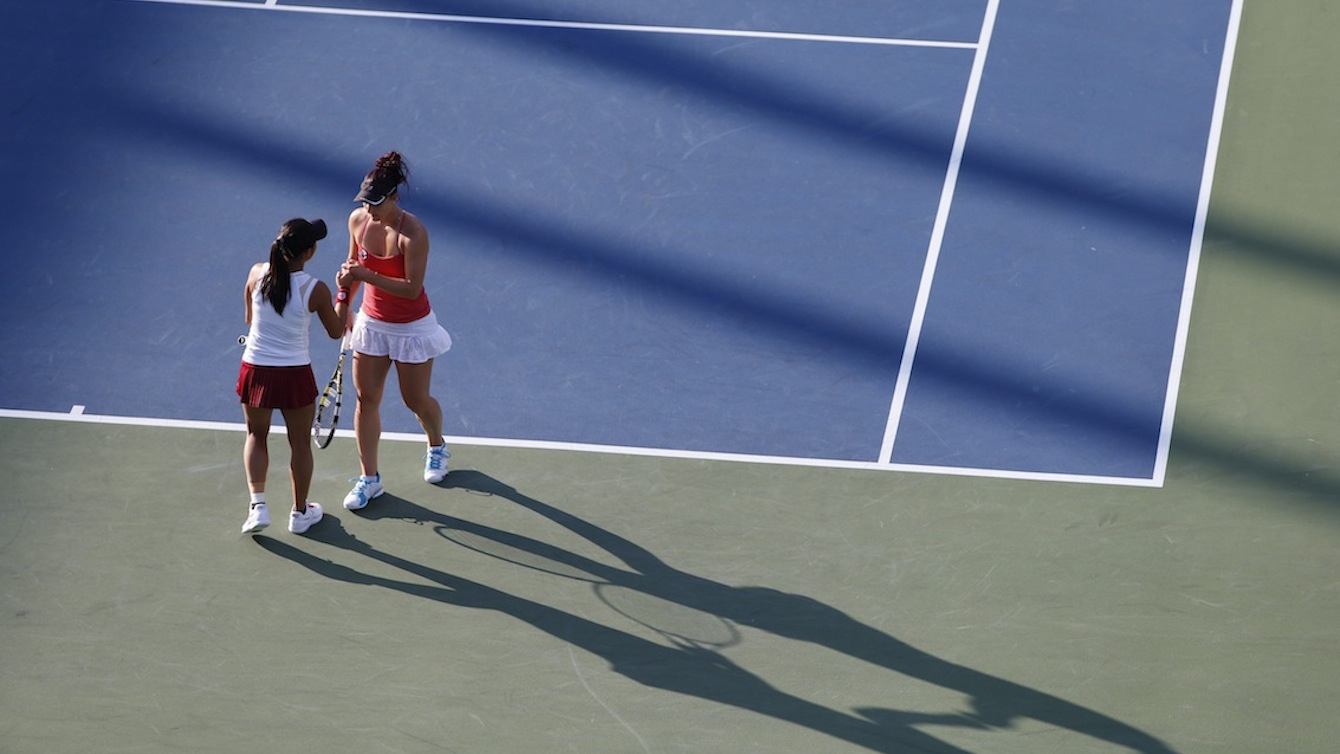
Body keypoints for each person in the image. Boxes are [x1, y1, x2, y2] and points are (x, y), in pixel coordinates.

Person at [335, 151, 453, 511]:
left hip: (412, 327)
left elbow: (411, 288)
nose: (369, 209)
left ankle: (436, 445)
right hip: (372, 323)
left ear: (394, 198)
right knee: (366, 400)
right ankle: (369, 480)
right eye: (365, 201)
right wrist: (343, 301)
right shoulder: (357, 221)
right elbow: (351, 269)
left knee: (415, 400)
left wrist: (364, 276)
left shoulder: (413, 234)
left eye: (375, 203)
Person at [238, 218, 344, 535]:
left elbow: (249, 319)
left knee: (256, 435)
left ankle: (257, 507)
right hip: (294, 374)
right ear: (309, 252)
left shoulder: (257, 274)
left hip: (255, 369)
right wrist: (345, 292)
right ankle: (300, 514)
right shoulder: (317, 290)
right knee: (300, 444)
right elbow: (337, 330)